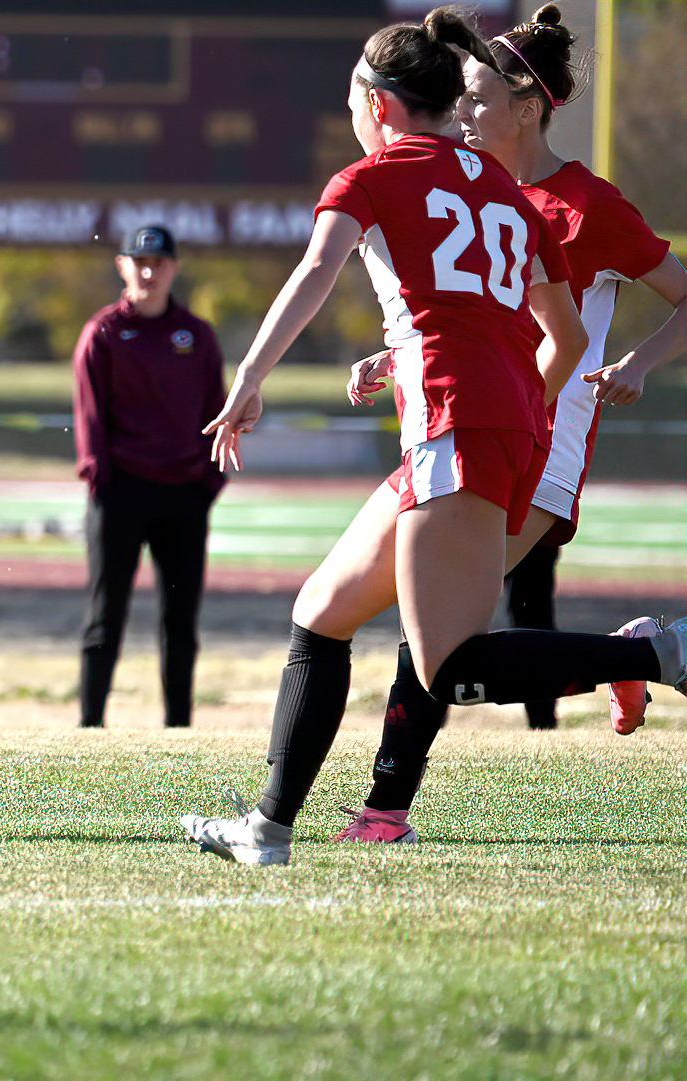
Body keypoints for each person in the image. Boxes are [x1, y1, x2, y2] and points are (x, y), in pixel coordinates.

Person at [179, 7, 684, 867]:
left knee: (445, 661)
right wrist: (456, 377)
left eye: (350, 97)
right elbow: (552, 337)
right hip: (485, 420)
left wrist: (250, 378)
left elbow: (313, 274)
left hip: (463, 424)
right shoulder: (502, 192)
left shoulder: (372, 176)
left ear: (377, 104)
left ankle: (657, 651)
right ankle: (268, 830)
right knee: (321, 612)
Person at [338, 3, 687, 843]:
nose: (463, 109)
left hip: (542, 448)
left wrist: (637, 363)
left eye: (478, 95)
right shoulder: (474, 186)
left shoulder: (586, 204)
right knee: (432, 627)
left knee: (441, 638)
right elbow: (480, 321)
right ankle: (635, 651)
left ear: (528, 108)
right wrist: (400, 358)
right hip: (476, 427)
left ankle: (389, 808)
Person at [72, 224, 226, 729]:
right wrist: (100, 476)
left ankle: (178, 727)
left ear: (174, 268)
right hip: (122, 492)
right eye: (139, 261)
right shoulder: (104, 333)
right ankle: (90, 724)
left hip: (183, 493)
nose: (148, 271)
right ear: (122, 265)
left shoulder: (196, 335)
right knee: (105, 614)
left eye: (159, 262)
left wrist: (208, 480)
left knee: (180, 620)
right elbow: (90, 414)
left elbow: (215, 409)